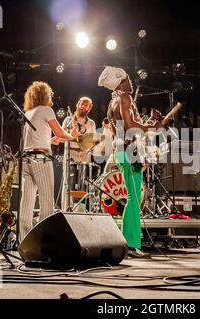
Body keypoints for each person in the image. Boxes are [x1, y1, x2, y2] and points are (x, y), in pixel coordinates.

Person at [98, 66, 163, 257]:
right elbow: (130, 126)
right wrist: (152, 127)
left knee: (132, 198)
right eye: (127, 78)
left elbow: (128, 125)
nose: (131, 81)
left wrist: (149, 123)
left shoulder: (114, 100)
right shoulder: (124, 98)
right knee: (134, 199)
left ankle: (129, 242)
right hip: (128, 151)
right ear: (121, 81)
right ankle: (131, 244)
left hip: (123, 150)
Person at [19, 81, 74, 241]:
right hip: (41, 160)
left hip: (26, 160)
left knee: (26, 202)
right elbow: (61, 132)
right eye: (50, 94)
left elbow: (34, 139)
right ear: (45, 95)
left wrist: (51, 140)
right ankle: (44, 241)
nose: (51, 96)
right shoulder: (46, 110)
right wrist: (74, 136)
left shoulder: (29, 112)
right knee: (46, 201)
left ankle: (24, 241)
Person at [53, 97, 96, 211]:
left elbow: (92, 143)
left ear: (89, 108)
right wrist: (70, 135)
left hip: (84, 156)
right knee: (68, 184)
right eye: (82, 103)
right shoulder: (68, 120)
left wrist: (79, 138)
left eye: (86, 105)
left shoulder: (91, 123)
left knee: (81, 185)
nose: (83, 106)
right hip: (70, 154)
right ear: (77, 104)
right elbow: (60, 139)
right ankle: (66, 209)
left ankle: (79, 211)